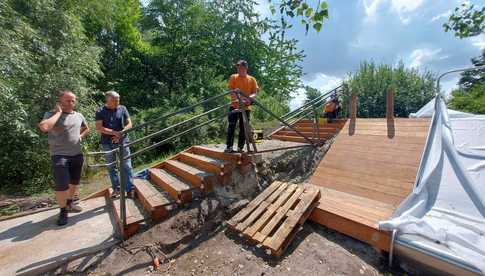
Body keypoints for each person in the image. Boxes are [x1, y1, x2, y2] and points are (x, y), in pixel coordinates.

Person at [39, 90, 90, 226]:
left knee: (74, 183)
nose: (71, 103)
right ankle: (63, 211)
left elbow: (86, 128)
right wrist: (58, 113)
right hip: (59, 155)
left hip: (77, 154)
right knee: (62, 186)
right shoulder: (51, 114)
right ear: (60, 101)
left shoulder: (79, 115)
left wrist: (80, 136)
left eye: (73, 100)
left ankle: (69, 203)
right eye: (68, 100)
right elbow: (44, 127)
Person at [95, 91, 135, 198]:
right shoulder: (100, 111)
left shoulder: (123, 108)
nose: (117, 102)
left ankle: (130, 188)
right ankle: (116, 189)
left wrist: (121, 134)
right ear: (107, 100)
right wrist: (113, 133)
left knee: (126, 165)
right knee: (112, 167)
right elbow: (99, 128)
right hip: (107, 143)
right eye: (115, 100)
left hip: (123, 140)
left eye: (118, 99)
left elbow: (130, 123)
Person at [225, 60, 259, 153]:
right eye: (237, 67)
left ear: (245, 68)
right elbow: (231, 91)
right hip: (234, 105)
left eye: (240, 67)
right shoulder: (233, 77)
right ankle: (229, 147)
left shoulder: (252, 79)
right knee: (231, 126)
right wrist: (240, 99)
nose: (238, 69)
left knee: (243, 128)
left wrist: (248, 99)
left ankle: (240, 148)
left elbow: (254, 93)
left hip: (246, 107)